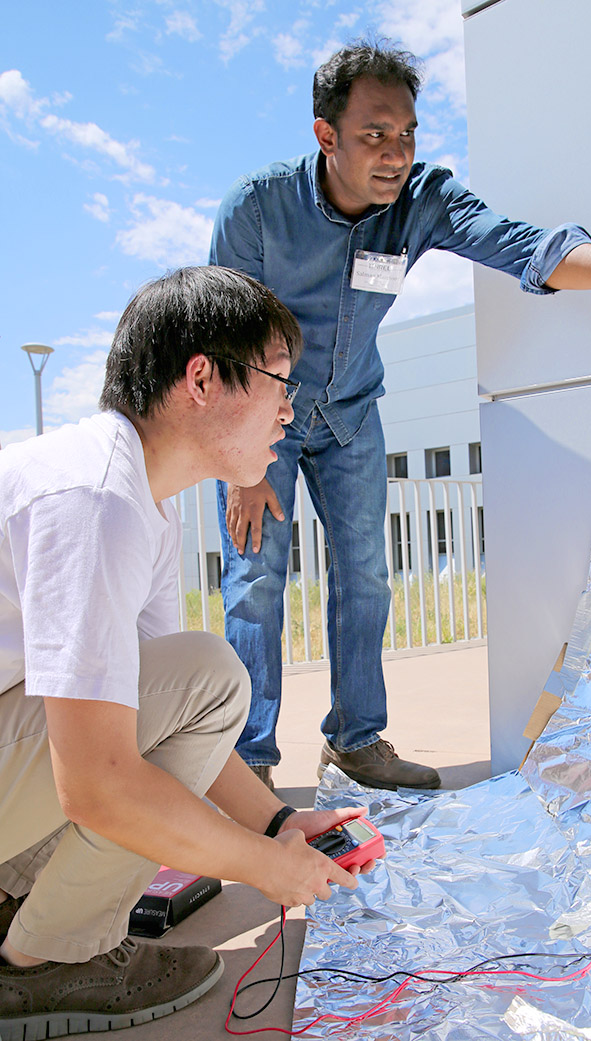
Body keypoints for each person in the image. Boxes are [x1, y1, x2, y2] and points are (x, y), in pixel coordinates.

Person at [210, 38, 591, 793]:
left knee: (367, 576)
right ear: (326, 135)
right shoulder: (256, 209)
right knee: (256, 580)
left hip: (348, 413)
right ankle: (247, 765)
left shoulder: (420, 201)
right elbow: (225, 337)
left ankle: (356, 740)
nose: (395, 153)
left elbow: (525, 248)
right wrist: (239, 466)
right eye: (374, 134)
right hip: (255, 420)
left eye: (407, 134)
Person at [0, 266, 378, 1040]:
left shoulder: (143, 500)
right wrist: (260, 866)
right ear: (200, 378)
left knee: (198, 676)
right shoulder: (96, 498)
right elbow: (99, 781)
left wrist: (276, 823)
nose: (289, 409)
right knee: (208, 671)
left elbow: (160, 716)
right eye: (279, 381)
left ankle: (21, 902)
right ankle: (44, 964)